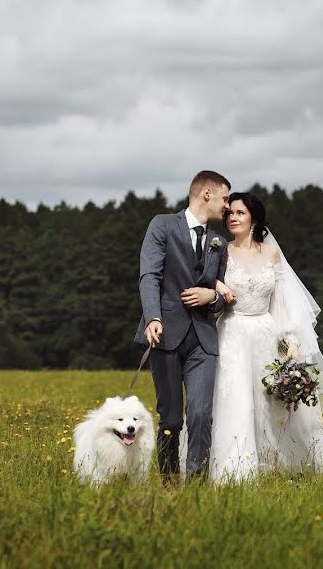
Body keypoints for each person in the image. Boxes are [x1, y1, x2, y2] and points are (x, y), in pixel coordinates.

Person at [210, 192, 323, 483]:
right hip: (231, 330)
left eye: (240, 213)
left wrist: (291, 340)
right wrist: (218, 285)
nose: (233, 217)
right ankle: (232, 469)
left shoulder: (271, 253)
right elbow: (205, 280)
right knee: (235, 397)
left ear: (254, 217)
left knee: (268, 400)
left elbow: (281, 301)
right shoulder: (221, 250)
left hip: (265, 332)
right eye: (230, 213)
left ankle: (273, 464)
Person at [134, 171, 231, 482]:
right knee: (172, 418)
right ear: (206, 193)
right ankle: (168, 482)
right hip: (165, 335)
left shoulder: (220, 242)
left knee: (201, 415)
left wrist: (211, 295)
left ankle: (198, 484)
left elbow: (223, 296)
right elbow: (150, 275)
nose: (227, 206)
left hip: (203, 341)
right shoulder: (162, 225)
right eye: (225, 198)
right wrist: (152, 317)